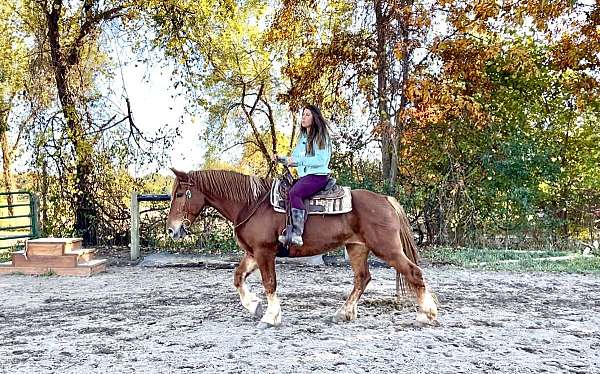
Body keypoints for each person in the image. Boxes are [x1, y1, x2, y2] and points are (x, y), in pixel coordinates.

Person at [274, 105, 332, 246]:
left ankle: (297, 233)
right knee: (285, 191)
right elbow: (294, 159)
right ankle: (285, 230)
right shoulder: (303, 138)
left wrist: (298, 161)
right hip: (306, 176)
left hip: (318, 176)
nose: (303, 117)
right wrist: (281, 159)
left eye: (307, 115)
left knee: (295, 193)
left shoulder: (321, 136)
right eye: (303, 114)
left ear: (314, 118)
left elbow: (321, 160)